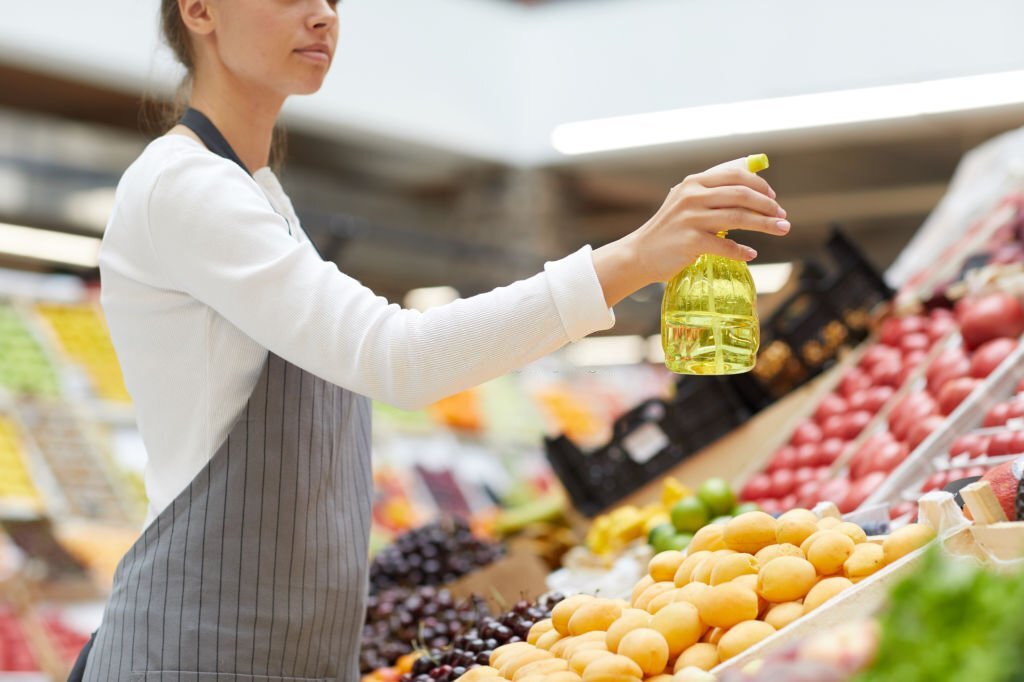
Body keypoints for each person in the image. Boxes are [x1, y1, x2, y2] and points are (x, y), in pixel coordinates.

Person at [72, 0, 790, 679]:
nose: (323, 13)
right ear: (199, 10)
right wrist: (632, 257)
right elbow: (398, 357)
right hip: (196, 656)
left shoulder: (256, 195)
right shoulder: (185, 186)